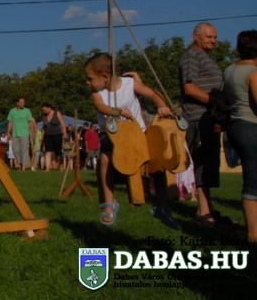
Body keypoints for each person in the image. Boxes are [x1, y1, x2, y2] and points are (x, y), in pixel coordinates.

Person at [84, 52, 177, 229]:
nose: (88, 82)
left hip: (137, 133)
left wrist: (162, 105)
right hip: (111, 134)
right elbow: (100, 106)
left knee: (156, 163)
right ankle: (109, 204)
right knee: (105, 160)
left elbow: (153, 94)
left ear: (105, 76)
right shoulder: (97, 92)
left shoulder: (129, 83)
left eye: (90, 78)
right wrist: (116, 111)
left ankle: (162, 206)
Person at [179, 22, 234, 227]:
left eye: (215, 37)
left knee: (210, 163)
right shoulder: (191, 57)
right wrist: (216, 102)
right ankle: (203, 211)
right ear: (196, 36)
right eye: (209, 37)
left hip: (210, 117)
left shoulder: (205, 58)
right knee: (202, 161)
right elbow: (189, 88)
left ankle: (209, 208)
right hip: (197, 116)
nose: (213, 40)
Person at [223, 30, 257, 243]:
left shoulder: (229, 70)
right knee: (253, 182)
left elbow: (225, 100)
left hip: (236, 126)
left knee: (251, 179)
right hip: (252, 127)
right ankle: (253, 234)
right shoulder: (253, 72)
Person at [6, 97, 36, 172]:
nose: (23, 104)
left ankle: (23, 166)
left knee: (24, 150)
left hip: (25, 134)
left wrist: (33, 132)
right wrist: (8, 132)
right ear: (17, 103)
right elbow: (10, 122)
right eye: (21, 102)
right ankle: (19, 163)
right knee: (15, 150)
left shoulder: (27, 111)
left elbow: (30, 122)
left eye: (24, 102)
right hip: (15, 134)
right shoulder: (12, 111)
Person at [40, 102, 67, 170]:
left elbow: (63, 123)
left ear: (49, 107)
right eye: (43, 110)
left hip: (57, 135)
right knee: (48, 151)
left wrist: (65, 133)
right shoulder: (44, 116)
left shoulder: (57, 113)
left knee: (58, 152)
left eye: (45, 110)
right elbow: (44, 127)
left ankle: (61, 167)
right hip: (47, 135)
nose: (44, 111)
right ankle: (47, 169)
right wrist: (42, 137)